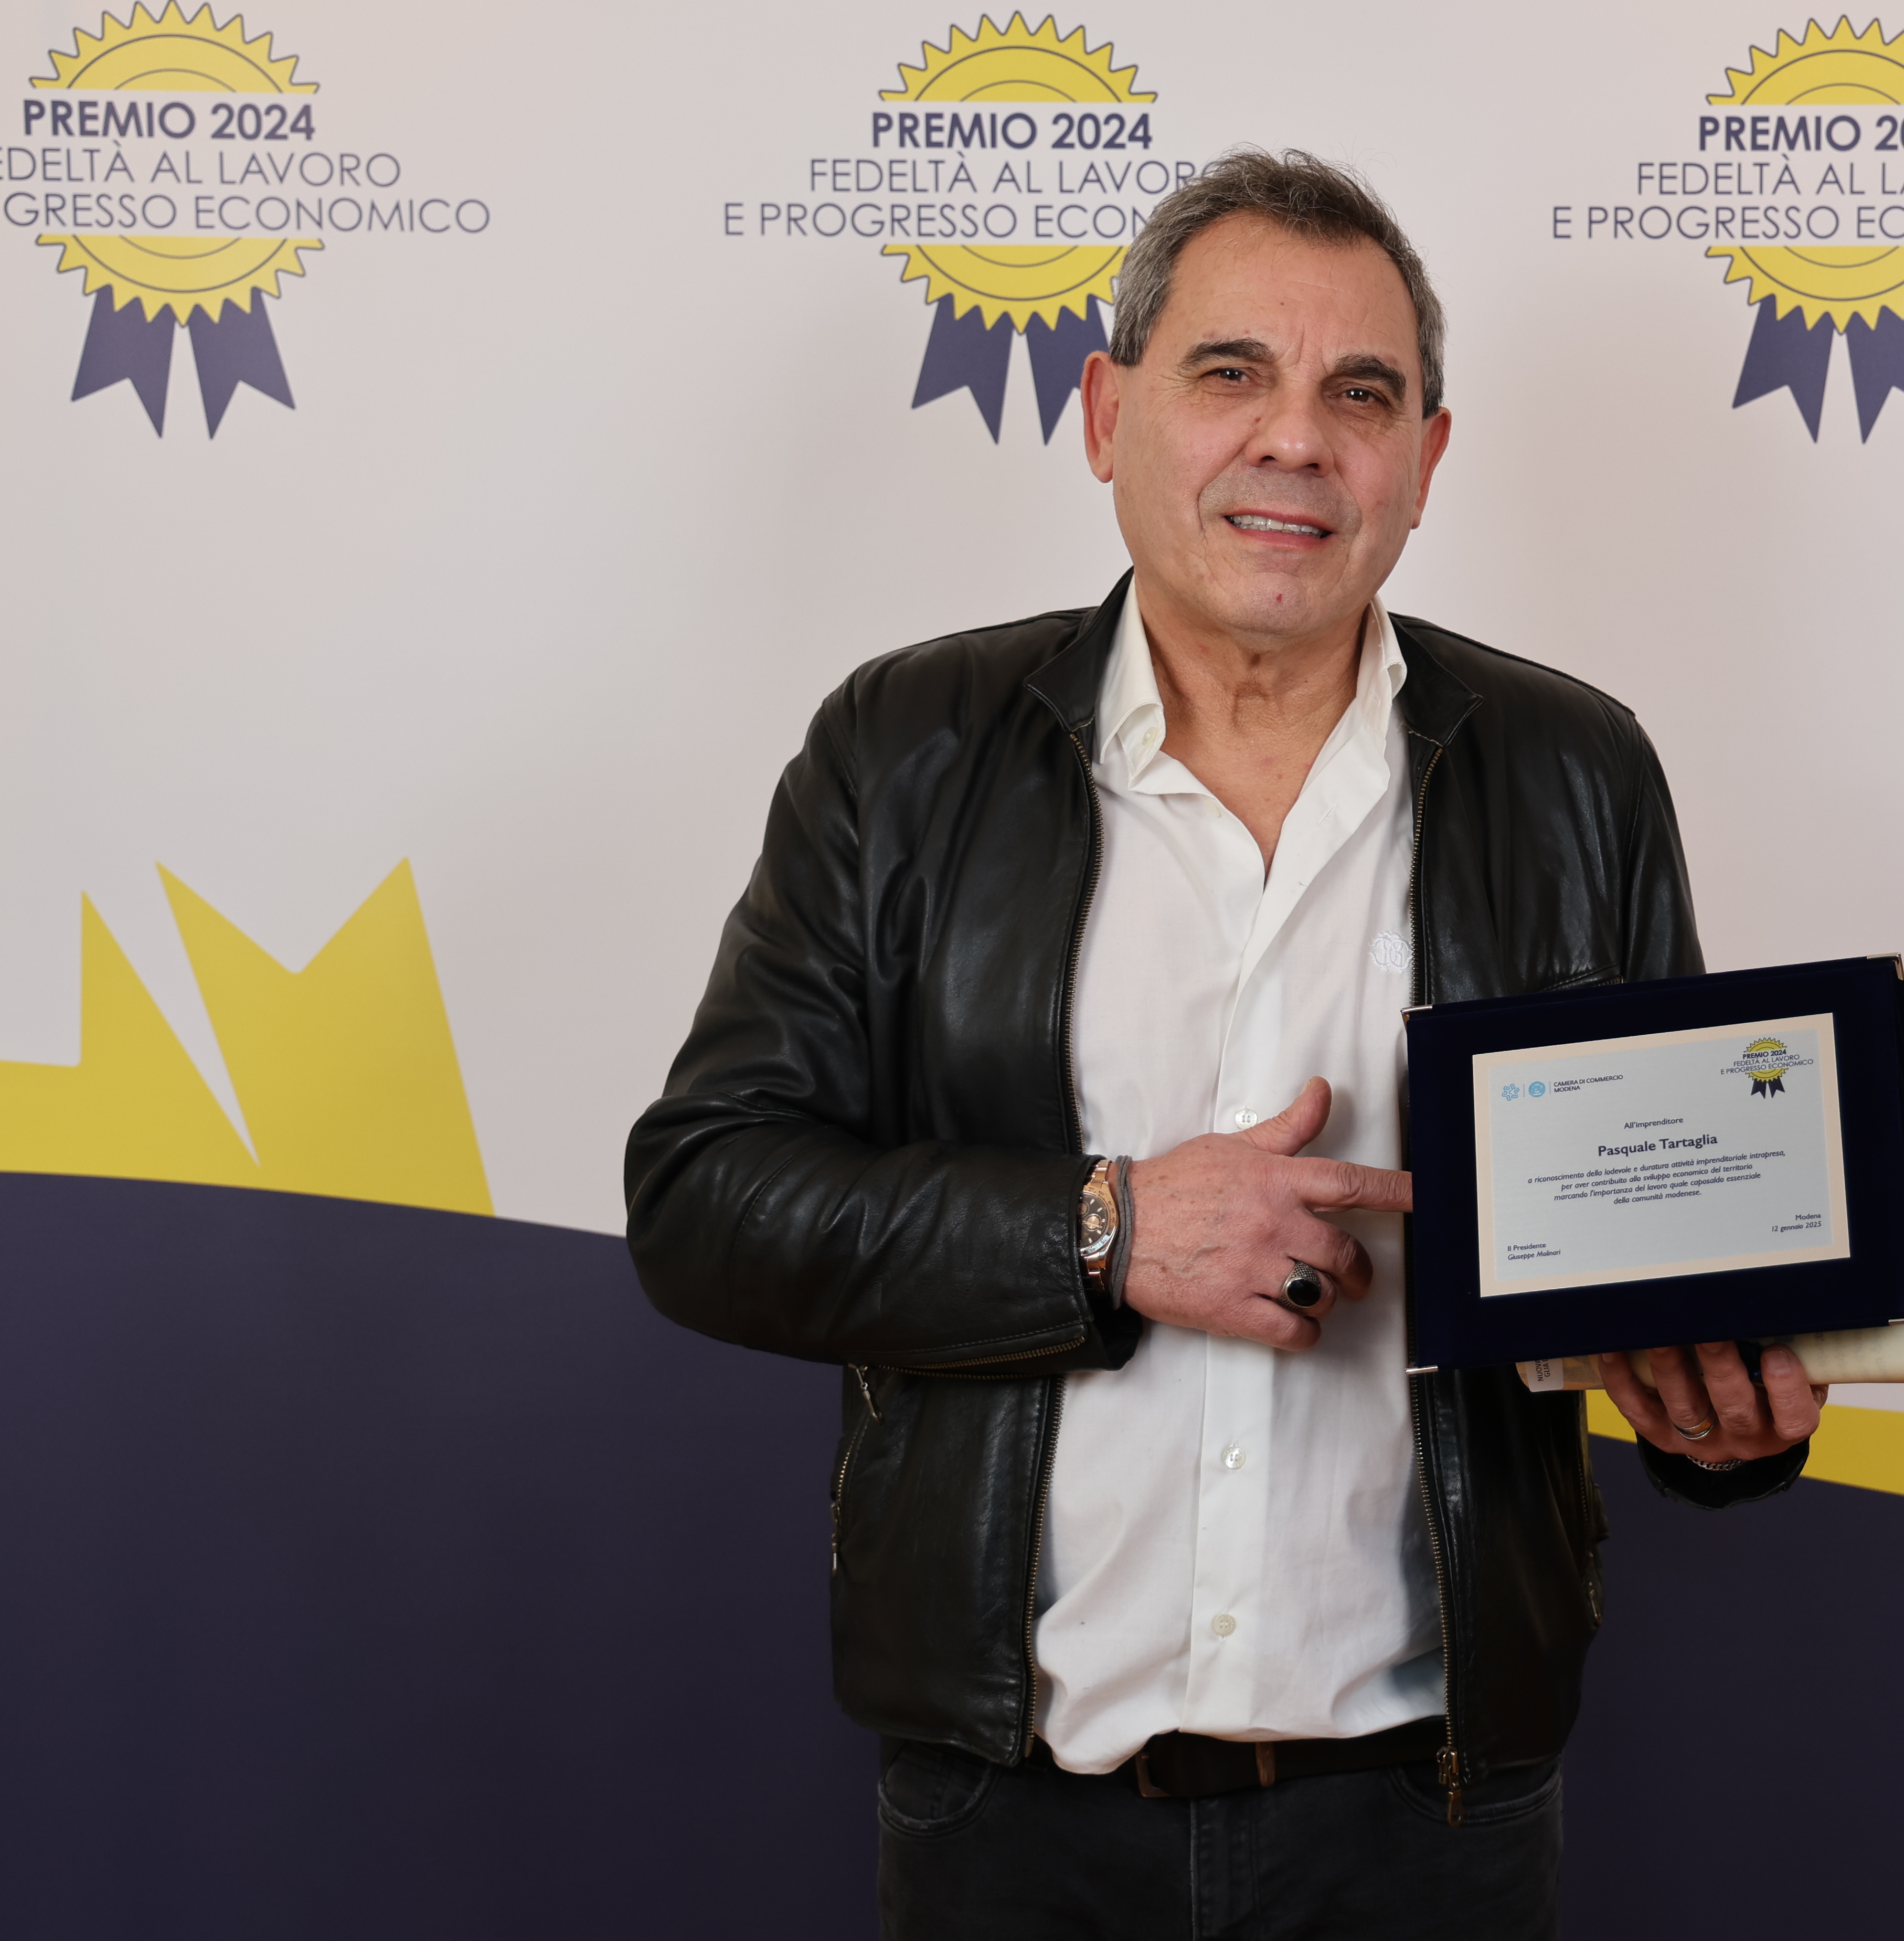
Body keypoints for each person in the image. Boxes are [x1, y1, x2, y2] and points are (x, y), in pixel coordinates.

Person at [626, 149, 1826, 1939]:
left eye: (1363, 394)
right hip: (1010, 1809)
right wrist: (1101, 1230)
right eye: (1231, 373)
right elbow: (709, 1201)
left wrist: (1717, 1416)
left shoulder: (1575, 772)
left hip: (1433, 1818)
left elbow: (1660, 1242)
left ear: (1427, 460)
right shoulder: (906, 749)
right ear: (1108, 415)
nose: (1297, 441)